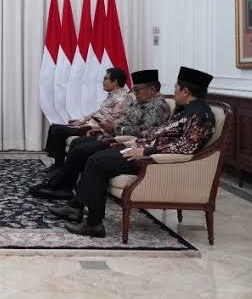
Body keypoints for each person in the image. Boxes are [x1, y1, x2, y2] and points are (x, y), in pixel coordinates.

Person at [50, 66, 215, 238]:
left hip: (153, 160)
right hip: (142, 149)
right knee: (94, 157)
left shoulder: (201, 116)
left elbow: (186, 147)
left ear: (186, 91)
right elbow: (161, 132)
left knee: (96, 162)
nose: (174, 92)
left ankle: (93, 223)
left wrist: (147, 151)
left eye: (176, 88)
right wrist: (137, 140)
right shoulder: (187, 110)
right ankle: (78, 208)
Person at [30, 69, 170, 200]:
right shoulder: (140, 102)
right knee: (78, 144)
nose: (134, 93)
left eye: (137, 90)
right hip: (114, 135)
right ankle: (61, 184)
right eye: (134, 89)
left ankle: (63, 187)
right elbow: (123, 119)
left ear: (152, 89)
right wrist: (111, 126)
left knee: (81, 150)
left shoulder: (158, 106)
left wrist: (115, 128)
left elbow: (144, 132)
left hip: (126, 142)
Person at [43, 67, 133, 170]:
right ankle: (57, 164)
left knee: (57, 130)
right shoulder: (113, 95)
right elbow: (98, 112)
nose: (103, 82)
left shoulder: (121, 99)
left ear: (115, 82)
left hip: (93, 128)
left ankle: (58, 165)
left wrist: (87, 125)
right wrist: (81, 120)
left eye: (105, 79)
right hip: (89, 124)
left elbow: (112, 122)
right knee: (54, 127)